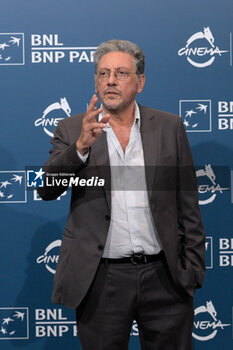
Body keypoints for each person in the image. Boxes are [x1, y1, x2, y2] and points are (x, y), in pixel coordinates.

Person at [38, 39, 205, 350]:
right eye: (103, 74)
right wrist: (80, 148)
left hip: (165, 277)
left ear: (140, 82)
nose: (110, 80)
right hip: (101, 279)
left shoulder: (169, 127)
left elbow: (189, 205)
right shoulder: (72, 128)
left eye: (121, 73)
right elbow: (46, 188)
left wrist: (191, 271)